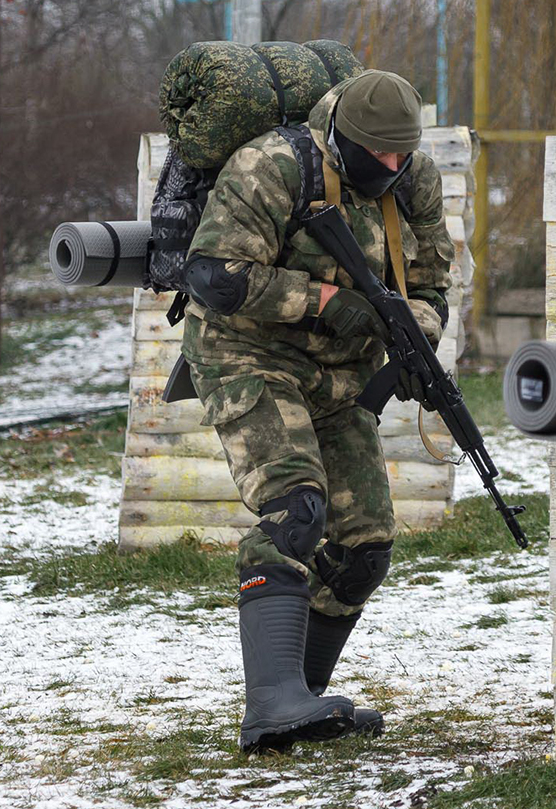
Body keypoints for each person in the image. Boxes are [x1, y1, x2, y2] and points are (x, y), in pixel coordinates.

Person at [181, 70, 454, 752]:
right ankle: (268, 705)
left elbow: (432, 283)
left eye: (402, 157)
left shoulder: (413, 178)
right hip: (247, 353)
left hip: (340, 374)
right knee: (295, 510)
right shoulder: (273, 166)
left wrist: (413, 341)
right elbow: (214, 275)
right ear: (343, 139)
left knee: (365, 548)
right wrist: (325, 303)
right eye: (378, 157)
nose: (391, 169)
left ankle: (298, 701)